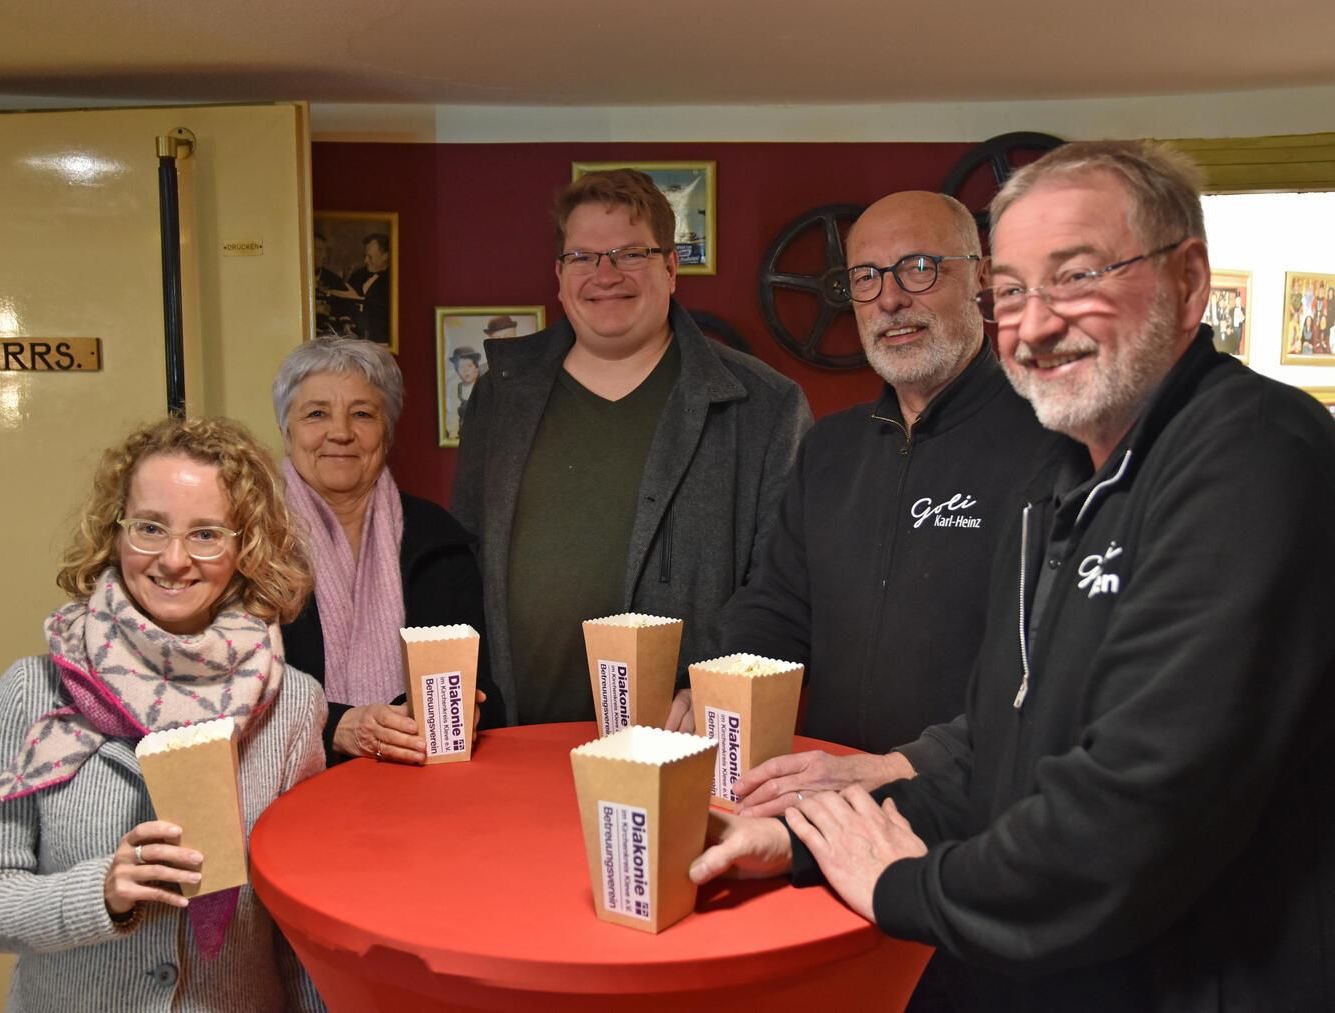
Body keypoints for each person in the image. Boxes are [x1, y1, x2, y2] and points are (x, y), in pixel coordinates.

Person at [690, 140, 1335, 1010]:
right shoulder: (1067, 478)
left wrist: (898, 884)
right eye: (1015, 294)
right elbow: (999, 744)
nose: (1034, 324)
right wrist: (811, 833)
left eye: (1076, 277)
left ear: (1188, 283)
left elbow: (1133, 810)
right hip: (1040, 962)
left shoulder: (1253, 454)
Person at [717, 192, 1058, 819]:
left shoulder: (1053, 439)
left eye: (919, 267)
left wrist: (909, 768)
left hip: (978, 811)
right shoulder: (831, 446)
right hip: (827, 807)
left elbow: (1053, 664)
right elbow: (776, 609)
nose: (891, 299)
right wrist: (715, 690)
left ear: (980, 277)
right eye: (866, 278)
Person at [0, 416, 325, 1011]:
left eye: (206, 534)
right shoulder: (32, 693)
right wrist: (100, 893)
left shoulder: (292, 703)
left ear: (246, 545)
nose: (173, 560)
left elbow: (297, 923)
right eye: (150, 527)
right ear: (114, 534)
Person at [452, 168, 811, 726]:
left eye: (629, 254)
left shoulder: (764, 407)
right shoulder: (499, 396)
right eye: (584, 257)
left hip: (683, 746)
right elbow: (467, 556)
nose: (605, 274)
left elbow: (783, 588)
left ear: (671, 268)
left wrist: (723, 686)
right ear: (559, 273)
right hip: (512, 737)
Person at [274, 337, 502, 765]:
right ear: (286, 429)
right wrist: (335, 725)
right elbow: (220, 697)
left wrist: (444, 712)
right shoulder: (245, 539)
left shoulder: (439, 537)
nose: (340, 432)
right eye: (317, 413)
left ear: (388, 431)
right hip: (282, 789)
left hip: (418, 781)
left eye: (362, 414)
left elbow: (486, 688)